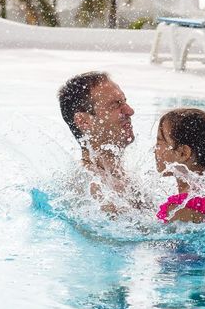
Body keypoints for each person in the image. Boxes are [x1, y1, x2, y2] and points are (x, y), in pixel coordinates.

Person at [58, 71, 147, 213]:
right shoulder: (93, 187)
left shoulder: (120, 177)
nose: (130, 111)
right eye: (115, 105)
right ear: (84, 121)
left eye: (125, 101)